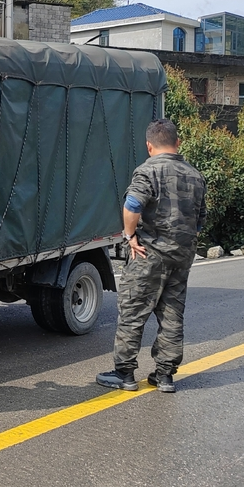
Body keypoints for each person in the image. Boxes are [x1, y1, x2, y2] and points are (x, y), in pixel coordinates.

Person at [96, 118, 206, 394]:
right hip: (182, 256)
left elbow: (132, 205)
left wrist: (130, 236)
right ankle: (165, 376)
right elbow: (200, 219)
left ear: (149, 145)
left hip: (149, 254)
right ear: (177, 142)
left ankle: (124, 374)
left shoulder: (148, 171)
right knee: (172, 313)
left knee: (133, 311)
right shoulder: (195, 175)